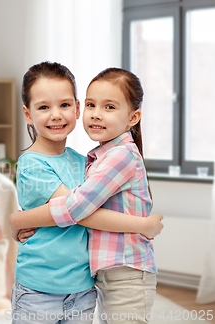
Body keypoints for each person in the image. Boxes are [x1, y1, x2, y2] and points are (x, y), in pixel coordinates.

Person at [11, 66, 160, 324]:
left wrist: (20, 220)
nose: (56, 115)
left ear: (76, 109)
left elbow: (77, 209)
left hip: (82, 287)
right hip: (40, 286)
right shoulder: (32, 163)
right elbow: (76, 211)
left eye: (65, 104)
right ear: (28, 113)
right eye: (44, 107)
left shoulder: (87, 162)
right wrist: (18, 221)